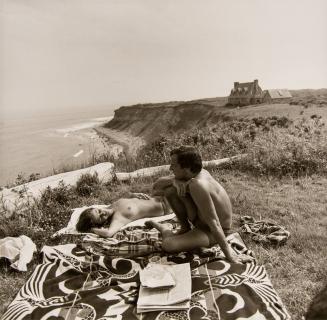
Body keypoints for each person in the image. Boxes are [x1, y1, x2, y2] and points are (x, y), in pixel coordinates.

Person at [147, 145, 252, 264]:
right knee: (170, 191)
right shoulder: (195, 173)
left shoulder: (198, 185)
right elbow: (156, 187)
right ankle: (185, 227)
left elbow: (214, 222)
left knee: (168, 245)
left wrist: (230, 255)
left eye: (174, 165)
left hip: (212, 231)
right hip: (200, 223)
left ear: (186, 168)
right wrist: (174, 181)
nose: (171, 168)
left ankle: (164, 229)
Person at [76, 192, 170, 237]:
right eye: (101, 218)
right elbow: (109, 233)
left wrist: (132, 195)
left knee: (160, 182)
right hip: (167, 205)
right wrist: (92, 229)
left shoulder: (112, 206)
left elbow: (125, 197)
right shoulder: (118, 218)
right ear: (102, 223)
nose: (102, 213)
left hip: (160, 195)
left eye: (98, 211)